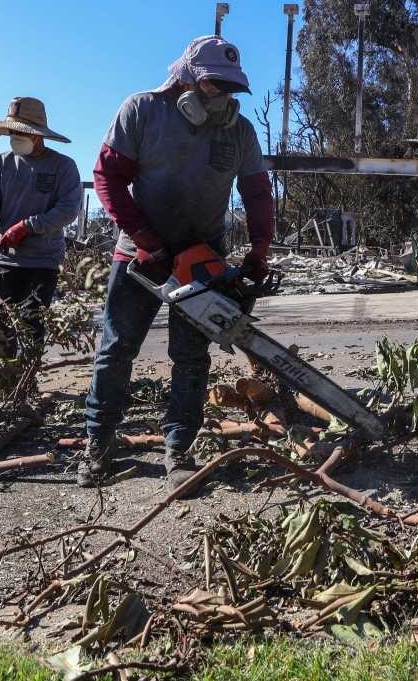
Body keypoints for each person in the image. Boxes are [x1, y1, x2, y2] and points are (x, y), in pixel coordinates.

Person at [80, 35, 274, 493]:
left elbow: (257, 191)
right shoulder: (142, 110)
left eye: (229, 89)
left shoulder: (239, 131)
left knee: (190, 357)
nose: (220, 96)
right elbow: (107, 176)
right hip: (140, 256)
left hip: (202, 259)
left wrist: (259, 249)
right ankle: (98, 447)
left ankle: (179, 449)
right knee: (117, 348)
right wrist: (143, 237)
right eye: (212, 86)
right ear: (185, 79)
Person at [0, 97, 83, 386]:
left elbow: (68, 210)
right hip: (4, 261)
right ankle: (7, 388)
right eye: (12, 133)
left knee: (31, 324)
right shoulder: (1, 164)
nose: (14, 138)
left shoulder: (63, 167)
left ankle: (25, 387)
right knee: (1, 327)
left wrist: (29, 226)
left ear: (38, 135)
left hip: (43, 261)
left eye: (21, 133)